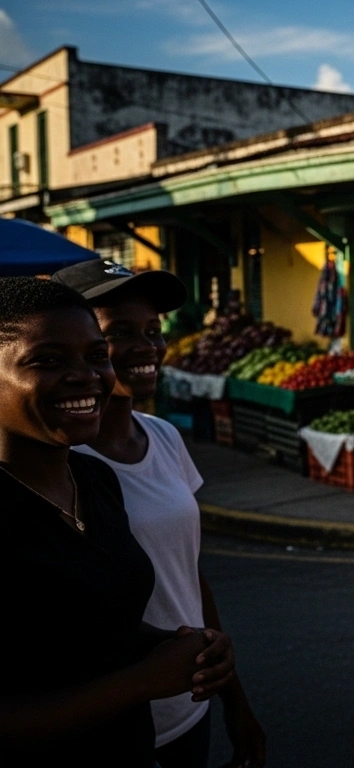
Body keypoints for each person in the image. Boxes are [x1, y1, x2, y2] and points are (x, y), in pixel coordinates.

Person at [0, 277, 235, 766]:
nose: (86, 376)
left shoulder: (95, 481)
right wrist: (144, 681)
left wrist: (177, 645)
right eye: (48, 361)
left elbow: (99, 622)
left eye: (95, 356)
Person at [51, 260, 267, 768]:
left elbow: (187, 574)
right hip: (113, 722)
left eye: (153, 331)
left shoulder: (165, 438)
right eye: (120, 333)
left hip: (189, 706)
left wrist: (233, 695)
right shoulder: (59, 467)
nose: (147, 346)